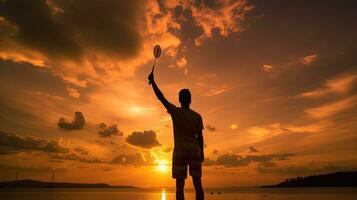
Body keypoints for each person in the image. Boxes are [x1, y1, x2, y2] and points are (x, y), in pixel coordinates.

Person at [148, 72, 204, 200]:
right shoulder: (197, 116)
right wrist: (202, 153)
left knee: (180, 186)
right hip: (195, 151)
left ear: (179, 100)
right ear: (190, 100)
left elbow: (161, 98)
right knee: (198, 184)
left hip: (180, 152)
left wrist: (153, 82)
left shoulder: (175, 112)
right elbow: (200, 137)